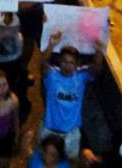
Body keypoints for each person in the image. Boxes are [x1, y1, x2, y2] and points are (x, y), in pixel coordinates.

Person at [38, 32, 105, 161]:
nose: (67, 65)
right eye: (64, 61)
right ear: (59, 61)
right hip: (49, 131)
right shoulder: (51, 76)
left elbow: (96, 68)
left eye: (71, 62)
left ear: (77, 64)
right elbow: (42, 64)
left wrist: (98, 50)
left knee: (69, 163)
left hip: (71, 134)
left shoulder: (81, 77)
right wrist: (51, 44)